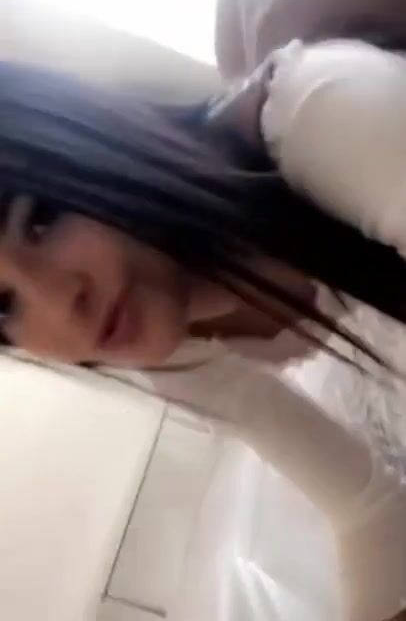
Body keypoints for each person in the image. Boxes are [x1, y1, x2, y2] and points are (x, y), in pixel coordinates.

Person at [2, 34, 406, 620]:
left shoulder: (320, 111)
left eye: (39, 219)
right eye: (4, 305)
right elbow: (368, 507)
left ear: (91, 146)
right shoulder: (168, 350)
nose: (61, 305)